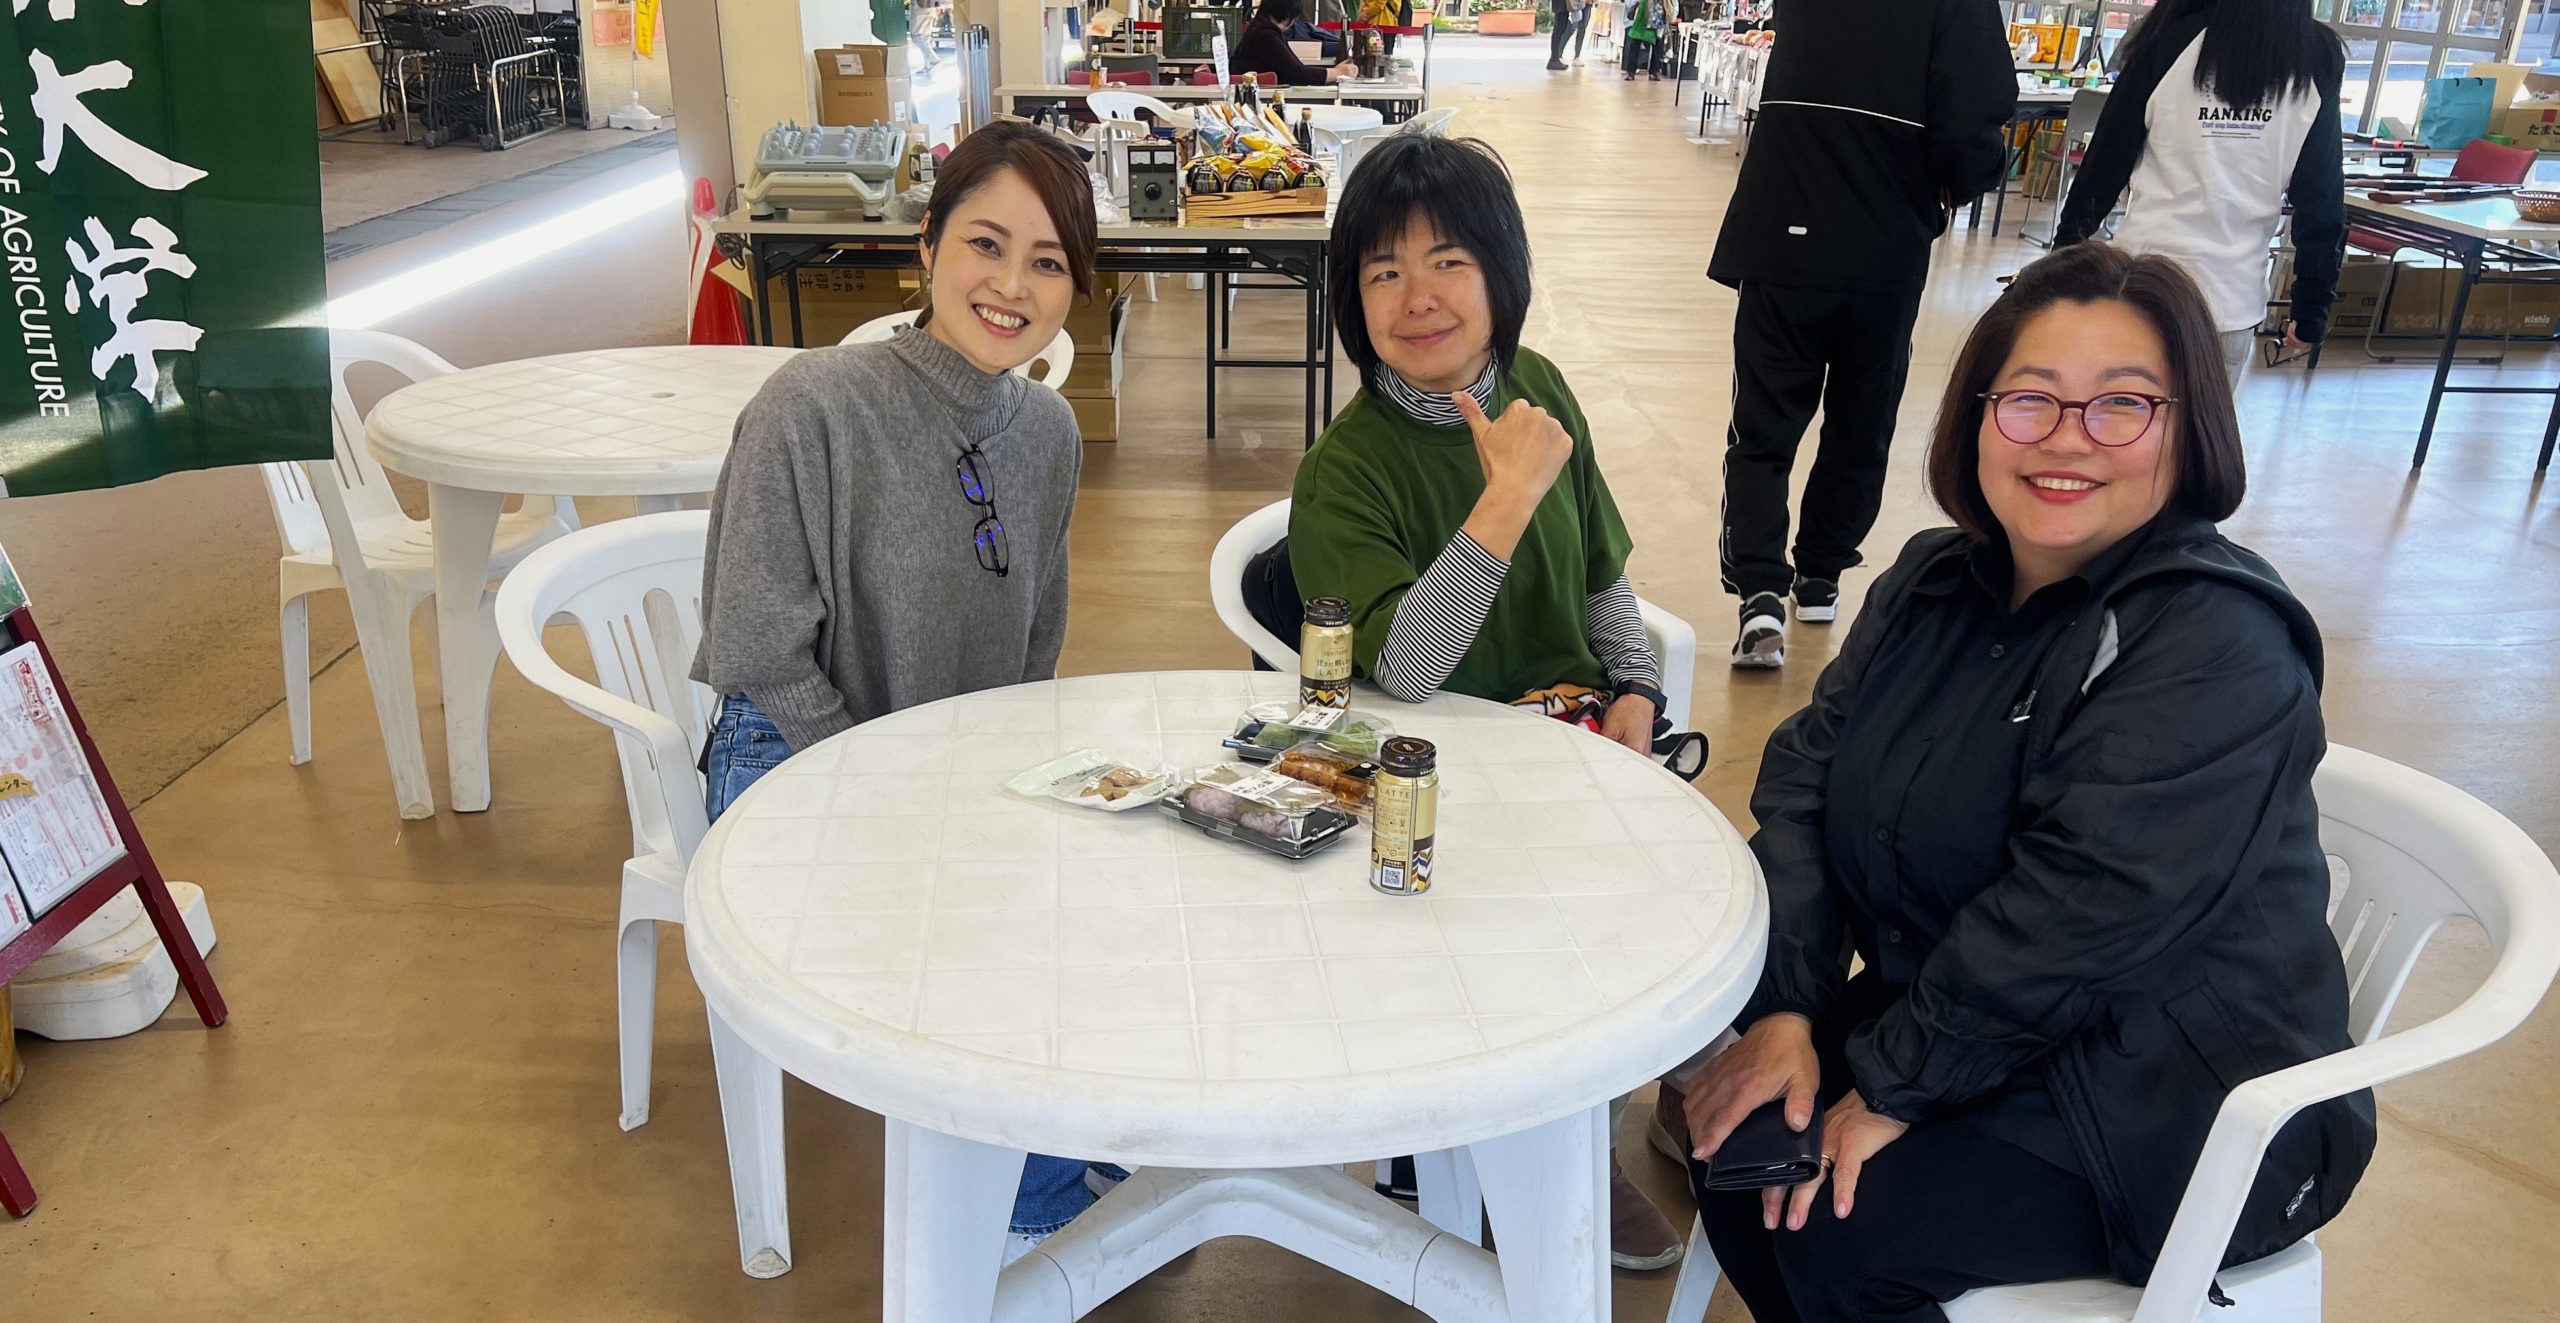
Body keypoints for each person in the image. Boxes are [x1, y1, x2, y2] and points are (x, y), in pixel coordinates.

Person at [1672, 242, 2374, 1322]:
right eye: (2030, 399)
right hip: (1975, 1009)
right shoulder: (1930, 583)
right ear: (1977, 417)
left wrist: (1896, 1086)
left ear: (2188, 427)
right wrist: (1787, 1012)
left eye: (2122, 405)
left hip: (2178, 1090)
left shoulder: (2217, 642)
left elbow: (2081, 909)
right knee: (1737, 1153)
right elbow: (1806, 786)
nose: (2066, 438)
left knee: (1836, 1231)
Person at [689, 122, 1107, 1265]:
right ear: (927, 244)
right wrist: (899, 790)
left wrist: (1009, 789)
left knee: (1105, 878)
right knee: (972, 918)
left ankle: (1059, 1135)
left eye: (1048, 262)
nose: (1011, 286)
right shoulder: (814, 403)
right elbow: (758, 649)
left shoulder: (1049, 433)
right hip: (791, 754)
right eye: (985, 244)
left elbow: (1034, 651)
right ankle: (1023, 1205)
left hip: (950, 757)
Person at [1285, 131, 1698, 1272]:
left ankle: (1608, 1120)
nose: (1417, 297)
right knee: (1526, 945)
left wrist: (1636, 686)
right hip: (1433, 777)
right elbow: (1405, 672)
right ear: (1352, 300)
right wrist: (1503, 498)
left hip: (1578, 748)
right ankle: (1498, 1145)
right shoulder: (1345, 469)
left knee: (1667, 921)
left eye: (1448, 261)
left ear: (1501, 274)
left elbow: (1604, 574)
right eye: (1383, 272)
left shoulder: (1542, 388)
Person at [1710, 0, 2014, 669]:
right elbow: (1971, 121)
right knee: (1862, 420)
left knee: (1762, 426)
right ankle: (1820, 576)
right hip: (1883, 239)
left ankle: (1759, 592)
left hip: (1781, 226)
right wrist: (1960, 182)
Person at [2055, 0, 2346, 379]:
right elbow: (2321, 196)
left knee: (2126, 413)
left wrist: (2062, 258)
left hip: (2144, 286)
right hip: (2232, 301)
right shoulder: (2316, 55)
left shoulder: (2167, 39)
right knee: (2208, 420)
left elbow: (2105, 163)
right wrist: (2312, 306)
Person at [1233, 0, 1359, 85]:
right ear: (1290, 13)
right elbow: (1297, 73)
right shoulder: (1266, 35)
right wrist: (1337, 73)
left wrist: (1335, 71)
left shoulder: (1261, 30)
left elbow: (1294, 69)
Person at [1547, 0, 1592, 70]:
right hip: (1561, 4)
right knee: (1559, 29)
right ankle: (1554, 59)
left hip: (1562, 4)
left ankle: (1555, 58)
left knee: (1561, 28)